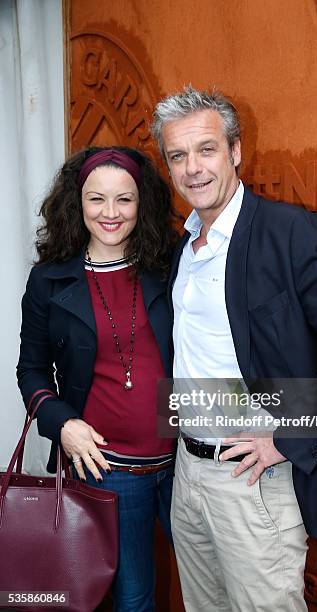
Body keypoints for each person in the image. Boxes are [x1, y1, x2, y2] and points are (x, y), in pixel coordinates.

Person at [151, 86, 317, 612]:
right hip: (188, 476)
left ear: (236, 151)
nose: (193, 168)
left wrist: (289, 435)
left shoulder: (290, 233)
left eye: (206, 149)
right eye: (178, 156)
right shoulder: (184, 250)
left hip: (252, 480)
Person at [16, 146, 179, 612]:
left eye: (124, 200)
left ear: (142, 203)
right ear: (77, 202)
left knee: (212, 591)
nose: (111, 213)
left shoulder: (170, 264)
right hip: (106, 470)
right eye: (97, 199)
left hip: (186, 464)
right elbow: (30, 370)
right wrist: (62, 423)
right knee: (133, 600)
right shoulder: (49, 281)